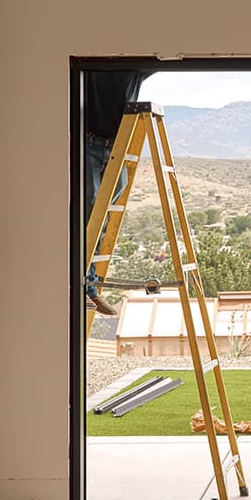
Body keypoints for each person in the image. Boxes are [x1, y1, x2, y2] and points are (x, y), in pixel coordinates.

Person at [82, 69, 154, 316]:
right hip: (88, 143)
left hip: (114, 146)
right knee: (90, 213)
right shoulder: (91, 68)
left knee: (99, 217)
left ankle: (90, 287)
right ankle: (86, 289)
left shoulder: (135, 69)